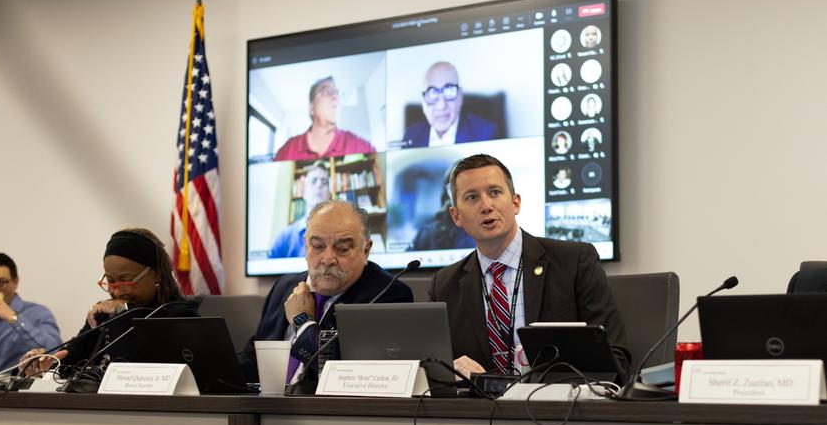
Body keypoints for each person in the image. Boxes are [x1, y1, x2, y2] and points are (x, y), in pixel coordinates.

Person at [427, 154, 627, 379]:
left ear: (515, 203)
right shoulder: (444, 286)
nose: (486, 206)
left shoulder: (574, 262)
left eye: (495, 192)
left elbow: (616, 360)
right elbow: (432, 370)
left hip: (559, 406)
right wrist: (448, 370)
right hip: (480, 410)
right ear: (456, 216)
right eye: (472, 197)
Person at [240, 200, 413, 384]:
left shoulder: (388, 294)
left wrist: (303, 322)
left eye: (343, 249)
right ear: (306, 245)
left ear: (366, 251)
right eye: (318, 246)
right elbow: (254, 361)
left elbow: (349, 375)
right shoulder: (284, 286)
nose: (328, 259)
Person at [21, 228, 198, 377]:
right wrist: (46, 363)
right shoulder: (104, 314)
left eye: (125, 280)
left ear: (157, 274)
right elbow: (71, 355)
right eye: (111, 281)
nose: (116, 290)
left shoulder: (181, 315)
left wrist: (127, 311)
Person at [0, 253, 60, 374]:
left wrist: (13, 318)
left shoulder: (38, 313)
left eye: (1, 282)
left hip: (20, 389)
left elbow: (55, 351)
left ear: (15, 282)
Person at [274, 76, 375, 161]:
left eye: (338, 93)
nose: (335, 96)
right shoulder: (287, 151)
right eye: (327, 92)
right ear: (312, 108)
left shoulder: (359, 146)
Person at [403, 62, 498, 148]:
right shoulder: (411, 136)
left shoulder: (486, 134)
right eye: (432, 93)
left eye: (449, 91)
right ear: (423, 101)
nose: (441, 106)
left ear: (460, 97)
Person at [268, 161, 332, 258]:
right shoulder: (284, 239)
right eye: (314, 181)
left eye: (324, 182)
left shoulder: (341, 236)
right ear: (303, 190)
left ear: (329, 194)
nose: (319, 185)